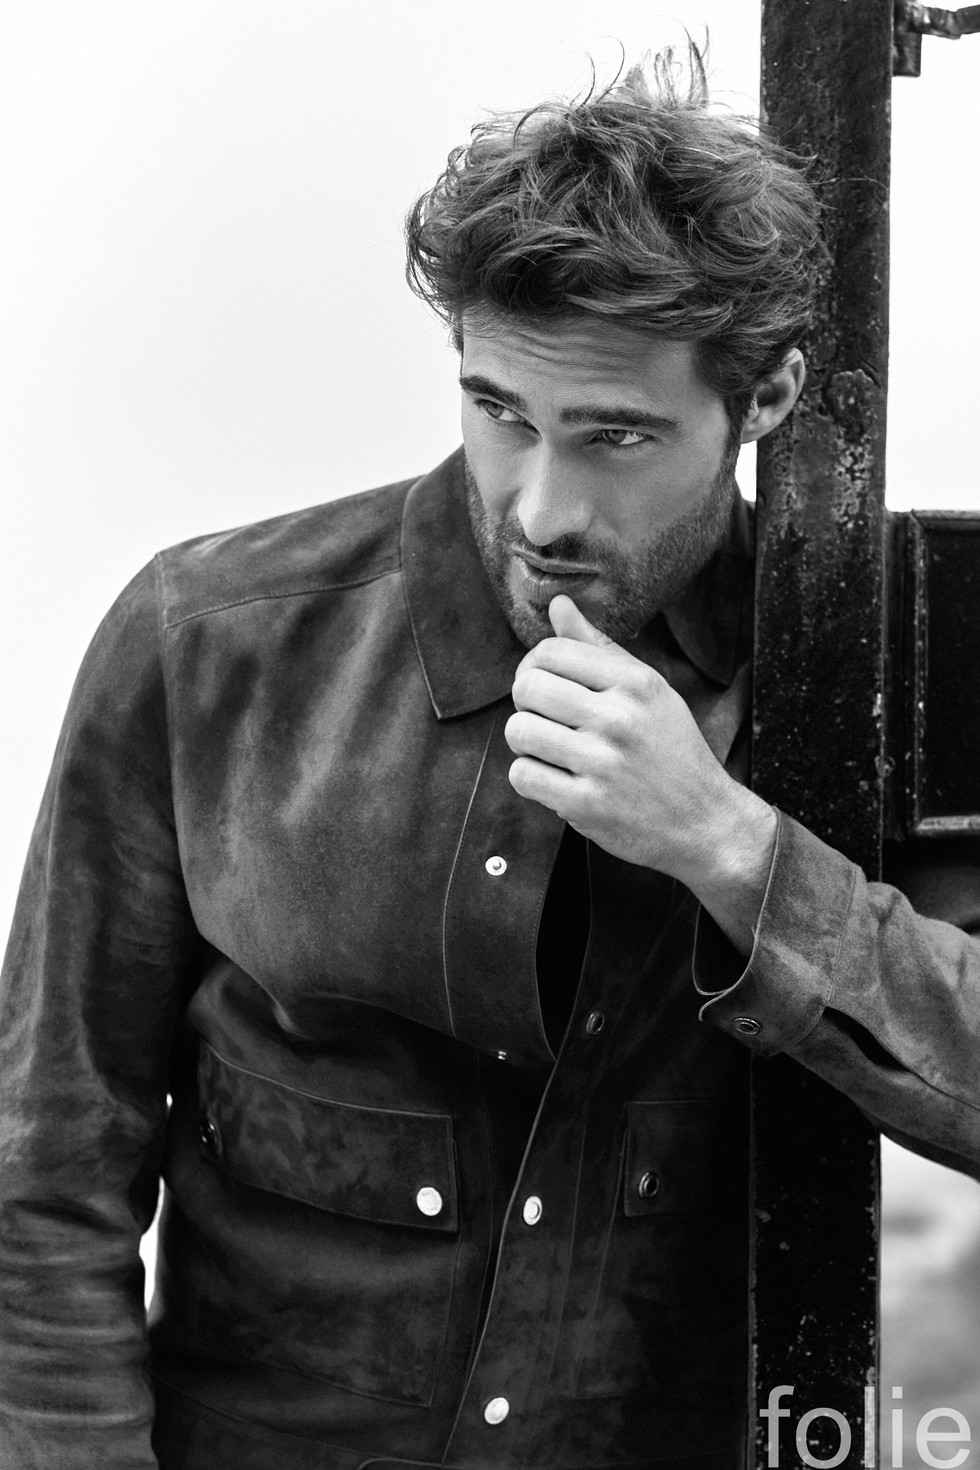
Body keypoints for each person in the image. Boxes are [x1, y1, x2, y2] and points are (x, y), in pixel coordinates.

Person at [1, 43, 979, 1470]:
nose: (541, 507)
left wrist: (728, 845)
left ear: (765, 399)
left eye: (616, 435)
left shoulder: (869, 675)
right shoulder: (206, 645)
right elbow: (43, 1180)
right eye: (500, 412)